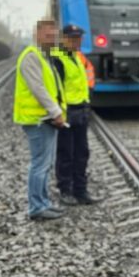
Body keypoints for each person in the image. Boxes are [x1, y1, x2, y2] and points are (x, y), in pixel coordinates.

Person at [13, 19, 67, 221]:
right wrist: (56, 112)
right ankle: (36, 207)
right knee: (40, 164)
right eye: (47, 34)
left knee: (45, 164)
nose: (51, 38)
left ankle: (43, 203)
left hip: (44, 119)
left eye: (54, 34)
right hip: (37, 119)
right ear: (36, 33)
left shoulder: (44, 56)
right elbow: (38, 89)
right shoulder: (31, 57)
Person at [52, 24, 99, 205]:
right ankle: (65, 191)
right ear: (63, 38)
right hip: (67, 114)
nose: (77, 41)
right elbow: (56, 89)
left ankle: (80, 190)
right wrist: (58, 114)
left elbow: (83, 83)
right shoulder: (58, 58)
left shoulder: (77, 57)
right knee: (66, 154)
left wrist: (87, 103)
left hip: (81, 111)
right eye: (73, 38)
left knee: (82, 153)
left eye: (79, 38)